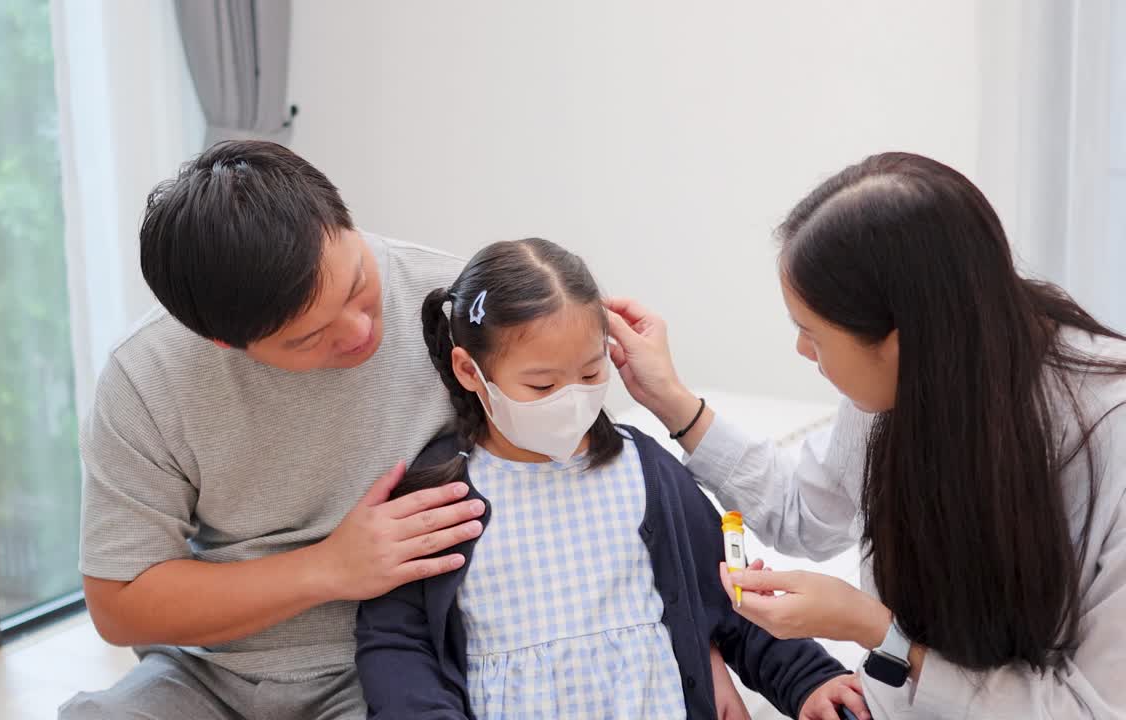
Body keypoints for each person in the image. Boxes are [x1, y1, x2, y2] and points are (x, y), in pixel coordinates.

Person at [605, 152, 1126, 718]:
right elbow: (805, 511)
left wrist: (874, 629)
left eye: (813, 334)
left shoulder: (1108, 433)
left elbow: (1090, 708)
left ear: (901, 340)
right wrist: (669, 399)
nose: (802, 352)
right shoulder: (912, 379)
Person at [59, 140, 489, 719]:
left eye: (358, 283)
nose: (359, 329)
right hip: (205, 672)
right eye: (308, 338)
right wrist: (328, 569)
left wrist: (656, 397)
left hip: (388, 664)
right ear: (223, 343)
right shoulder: (148, 375)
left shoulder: (455, 303)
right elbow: (120, 605)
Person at [355, 238, 867, 720]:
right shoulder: (436, 497)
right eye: (543, 384)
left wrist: (808, 678)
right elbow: (396, 644)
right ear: (470, 372)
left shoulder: (643, 470)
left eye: (591, 373)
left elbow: (728, 593)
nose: (572, 397)